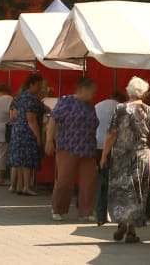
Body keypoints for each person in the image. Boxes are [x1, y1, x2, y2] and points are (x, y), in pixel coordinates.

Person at [100, 76, 150, 243]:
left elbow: (112, 134)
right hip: (142, 156)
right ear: (143, 93)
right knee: (137, 193)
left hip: (120, 155)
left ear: (129, 91)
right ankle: (132, 232)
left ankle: (121, 223)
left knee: (120, 190)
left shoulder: (119, 109)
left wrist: (104, 154)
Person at [46, 77, 99, 222]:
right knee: (65, 180)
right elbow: (53, 119)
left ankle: (86, 211)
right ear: (83, 90)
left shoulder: (90, 106)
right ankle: (58, 209)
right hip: (68, 147)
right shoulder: (66, 101)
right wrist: (49, 140)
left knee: (89, 181)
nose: (94, 94)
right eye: (92, 91)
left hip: (88, 148)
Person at [8, 74, 44, 196]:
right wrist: (38, 136)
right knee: (27, 159)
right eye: (39, 84)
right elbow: (31, 120)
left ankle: (19, 185)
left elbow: (14, 115)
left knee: (20, 159)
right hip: (27, 131)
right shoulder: (31, 99)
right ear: (32, 84)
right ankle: (27, 186)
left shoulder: (20, 97)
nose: (40, 87)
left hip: (17, 129)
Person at [95, 91, 126, 226]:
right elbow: (114, 133)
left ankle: (100, 213)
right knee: (113, 181)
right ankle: (111, 212)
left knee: (101, 180)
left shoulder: (97, 106)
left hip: (96, 144)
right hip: (113, 147)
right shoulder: (121, 109)